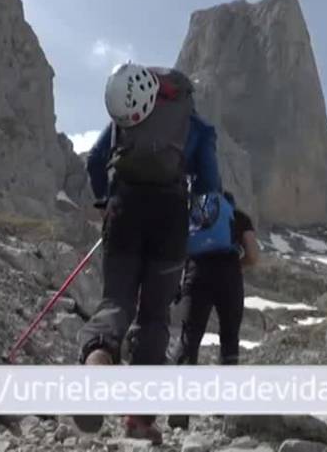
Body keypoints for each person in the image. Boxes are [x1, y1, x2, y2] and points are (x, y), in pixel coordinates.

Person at [74, 63, 220, 445]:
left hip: (124, 210)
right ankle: (138, 419)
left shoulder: (132, 114)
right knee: (155, 318)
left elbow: (94, 160)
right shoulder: (198, 128)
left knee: (116, 300)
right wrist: (195, 223)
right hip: (170, 221)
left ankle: (96, 363)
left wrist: (105, 201)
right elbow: (209, 191)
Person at [167, 191, 259, 430]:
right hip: (229, 274)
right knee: (229, 338)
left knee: (189, 338)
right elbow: (253, 255)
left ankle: (179, 408)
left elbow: (176, 252)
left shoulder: (194, 217)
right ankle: (225, 409)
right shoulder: (239, 217)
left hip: (197, 273)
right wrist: (236, 265)